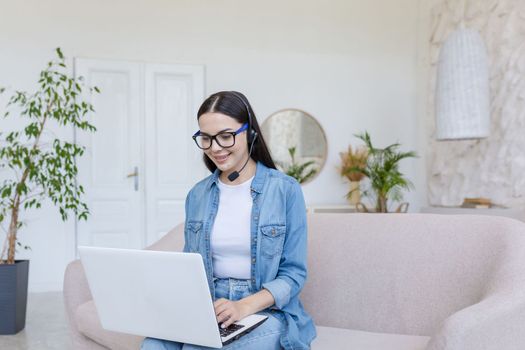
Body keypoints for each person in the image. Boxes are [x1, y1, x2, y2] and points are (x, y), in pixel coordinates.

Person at [141, 91, 316, 350]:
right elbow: (190, 266)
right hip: (210, 306)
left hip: (266, 310)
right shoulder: (198, 195)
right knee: (153, 344)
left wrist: (243, 306)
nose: (215, 148)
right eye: (206, 138)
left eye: (226, 136)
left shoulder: (285, 190)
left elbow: (294, 275)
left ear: (250, 133)